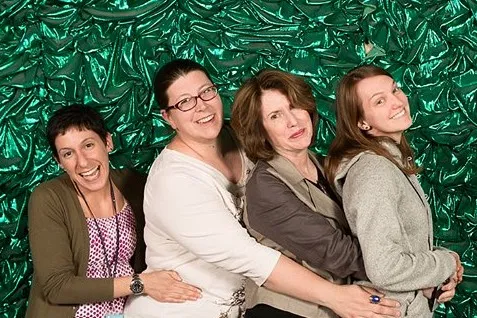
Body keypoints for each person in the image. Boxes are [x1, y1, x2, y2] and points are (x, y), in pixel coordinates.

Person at [124, 58, 401, 318]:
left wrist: (408, 268)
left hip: (260, 298)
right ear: (168, 117)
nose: (201, 106)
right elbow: (251, 257)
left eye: (206, 92)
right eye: (184, 102)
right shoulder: (174, 183)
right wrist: (337, 296)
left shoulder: (243, 139)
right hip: (189, 308)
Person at [27, 104, 201, 318]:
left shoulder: (134, 185)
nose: (82, 162)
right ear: (59, 161)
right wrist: (141, 284)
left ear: (107, 142)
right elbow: (57, 287)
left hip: (130, 311)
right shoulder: (48, 198)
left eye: (88, 145)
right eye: (68, 154)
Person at [324, 65, 464, 317]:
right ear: (362, 122)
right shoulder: (373, 171)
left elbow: (401, 248)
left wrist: (435, 280)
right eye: (380, 101)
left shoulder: (390, 162)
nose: (397, 101)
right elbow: (385, 268)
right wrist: (446, 263)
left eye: (394, 90)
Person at [230, 69, 368, 318]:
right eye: (275, 116)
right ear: (260, 131)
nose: (292, 121)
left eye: (294, 107)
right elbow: (336, 252)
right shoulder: (265, 188)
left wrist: (427, 265)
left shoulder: (325, 165)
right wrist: (411, 273)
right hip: (286, 310)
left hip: (341, 300)